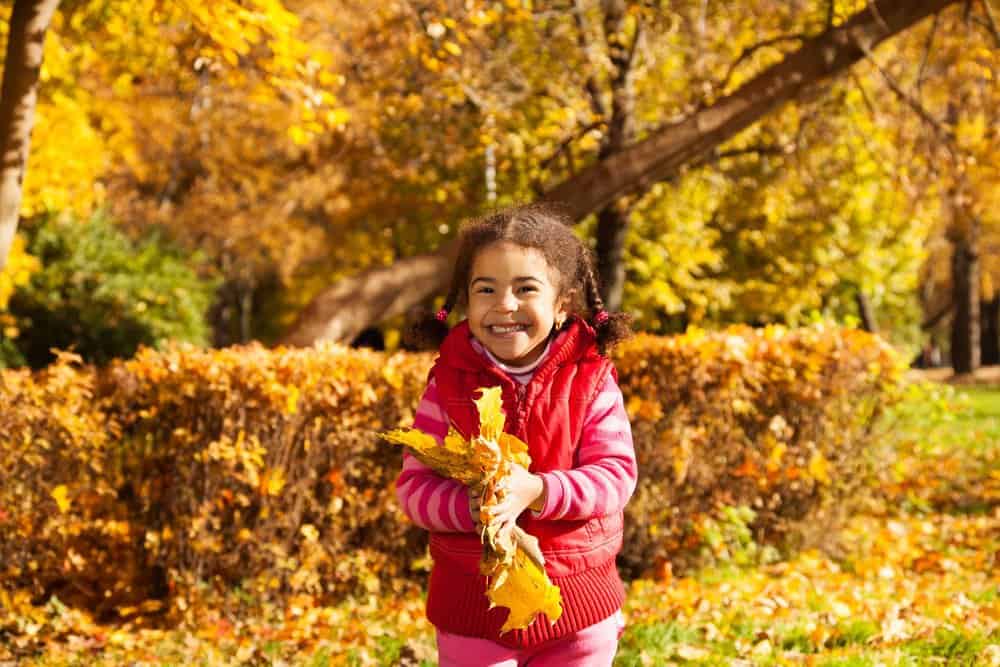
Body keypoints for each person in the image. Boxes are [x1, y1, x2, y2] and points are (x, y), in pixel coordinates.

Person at [395, 203, 637, 666]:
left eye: (525, 289)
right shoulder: (447, 384)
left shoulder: (590, 380)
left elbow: (615, 477)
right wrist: (466, 508)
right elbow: (414, 488)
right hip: (475, 609)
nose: (505, 304)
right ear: (466, 299)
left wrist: (539, 490)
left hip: (577, 607)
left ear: (562, 302)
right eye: (486, 289)